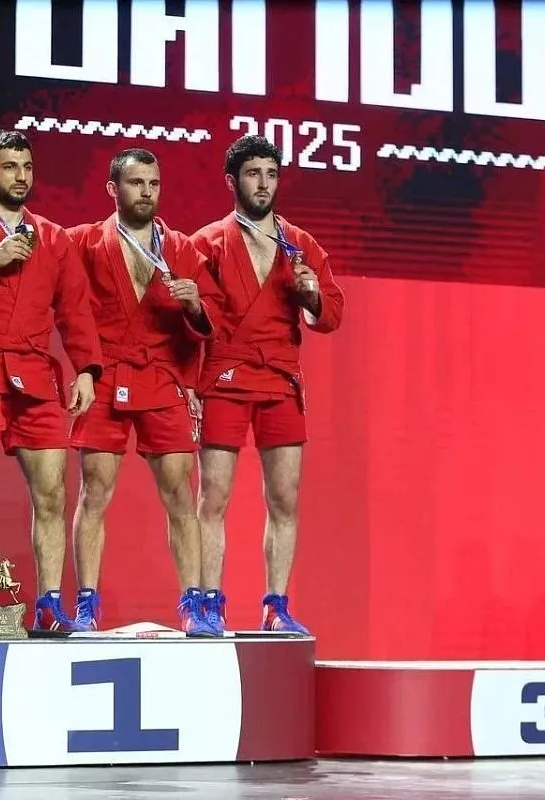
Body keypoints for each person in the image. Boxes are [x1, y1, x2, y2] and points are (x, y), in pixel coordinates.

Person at [0, 129, 104, 637]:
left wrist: (87, 369)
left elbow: (75, 309)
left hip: (36, 374)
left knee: (52, 494)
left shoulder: (53, 237)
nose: (21, 176)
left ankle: (48, 605)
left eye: (27, 167)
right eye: (10, 167)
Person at [64, 148, 224, 636]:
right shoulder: (84, 242)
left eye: (153, 183)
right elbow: (64, 300)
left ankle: (194, 603)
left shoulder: (182, 249)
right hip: (107, 372)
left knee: (180, 492)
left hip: (160, 375)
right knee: (94, 490)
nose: (147, 192)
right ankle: (87, 604)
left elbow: (209, 322)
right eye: (136, 183)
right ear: (113, 189)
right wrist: (85, 369)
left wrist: (195, 305)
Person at [190, 134, 345, 636]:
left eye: (272, 174)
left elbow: (331, 314)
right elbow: (196, 321)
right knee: (213, 498)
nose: (264, 184)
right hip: (226, 377)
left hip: (280, 379)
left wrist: (312, 295)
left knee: (284, 500)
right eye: (254, 174)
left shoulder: (300, 245)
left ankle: (275, 606)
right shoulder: (207, 243)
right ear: (232, 181)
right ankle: (207, 602)